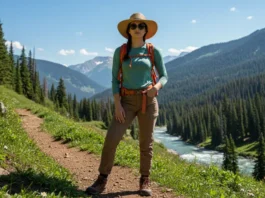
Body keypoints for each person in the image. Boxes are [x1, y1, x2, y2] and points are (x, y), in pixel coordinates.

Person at [85, 12, 168, 196]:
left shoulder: (153, 51)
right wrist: (117, 104)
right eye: (133, 26)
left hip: (149, 100)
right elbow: (115, 80)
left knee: (146, 143)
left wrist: (157, 86)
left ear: (146, 30)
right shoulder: (121, 52)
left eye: (141, 26)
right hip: (126, 101)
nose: (137, 29)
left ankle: (144, 180)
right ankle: (102, 179)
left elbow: (164, 75)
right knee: (111, 139)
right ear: (128, 30)